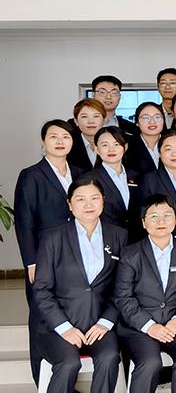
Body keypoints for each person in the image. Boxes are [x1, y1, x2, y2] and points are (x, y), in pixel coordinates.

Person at [33, 178, 127, 393]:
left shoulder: (119, 236)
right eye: (80, 199)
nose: (88, 205)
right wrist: (64, 328)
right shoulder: (53, 237)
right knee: (69, 363)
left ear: (103, 201)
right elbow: (42, 289)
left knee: (109, 357)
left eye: (94, 198)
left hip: (99, 325)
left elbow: (122, 288)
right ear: (69, 204)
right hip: (57, 327)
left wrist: (106, 322)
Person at [14, 119, 85, 384]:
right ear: (43, 142)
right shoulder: (31, 174)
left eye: (65, 137)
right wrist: (31, 262)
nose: (60, 141)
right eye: (53, 137)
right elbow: (24, 221)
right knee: (41, 317)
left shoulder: (80, 173)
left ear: (72, 142)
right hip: (43, 259)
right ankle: (41, 380)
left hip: (77, 256)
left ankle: (69, 379)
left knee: (72, 312)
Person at [114, 194, 176, 393]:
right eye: (153, 216)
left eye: (167, 215)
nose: (161, 221)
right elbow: (123, 297)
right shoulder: (131, 254)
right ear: (144, 223)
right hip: (139, 327)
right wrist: (149, 326)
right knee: (150, 362)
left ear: (175, 219)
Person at [135, 129, 176, 243]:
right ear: (159, 153)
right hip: (163, 245)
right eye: (168, 149)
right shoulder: (148, 181)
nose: (174, 153)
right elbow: (142, 218)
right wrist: (172, 240)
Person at [88, 127, 139, 230]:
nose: (111, 149)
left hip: (137, 236)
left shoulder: (137, 177)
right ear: (97, 149)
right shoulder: (90, 180)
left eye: (116, 144)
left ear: (125, 147)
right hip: (108, 235)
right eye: (105, 145)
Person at [67, 98, 107, 172]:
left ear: (103, 120)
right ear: (76, 120)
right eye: (85, 116)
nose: (91, 121)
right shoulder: (68, 146)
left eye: (96, 116)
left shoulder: (114, 145)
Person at [127, 102, 166, 175]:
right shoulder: (129, 147)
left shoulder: (172, 142)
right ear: (137, 122)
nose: (152, 122)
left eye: (157, 117)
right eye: (146, 118)